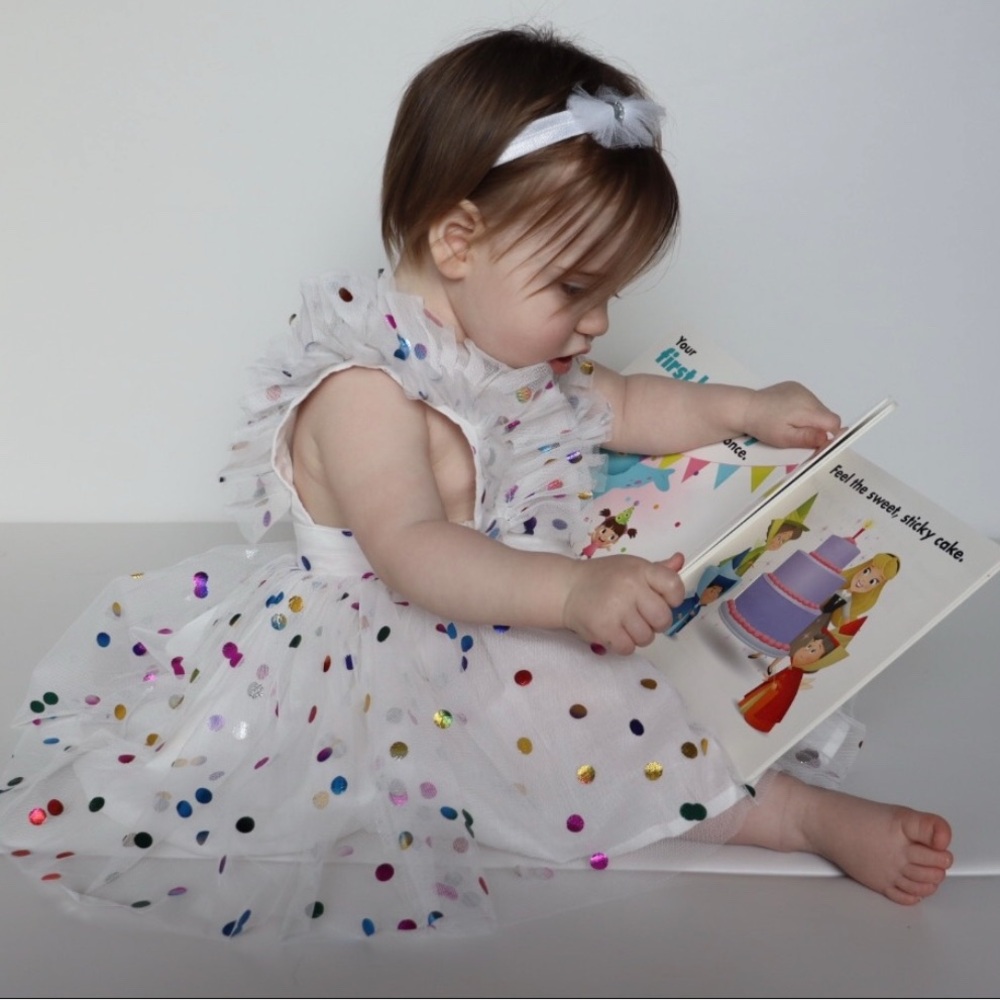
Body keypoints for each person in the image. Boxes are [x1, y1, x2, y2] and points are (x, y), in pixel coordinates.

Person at [0, 27, 951, 939]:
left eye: (608, 295)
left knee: (668, 647)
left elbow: (625, 404)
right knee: (584, 721)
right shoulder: (365, 388)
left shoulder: (507, 359)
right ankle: (788, 817)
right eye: (575, 289)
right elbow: (415, 554)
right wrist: (571, 594)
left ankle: (740, 760)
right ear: (458, 241)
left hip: (505, 595)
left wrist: (744, 408)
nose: (596, 322)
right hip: (394, 639)